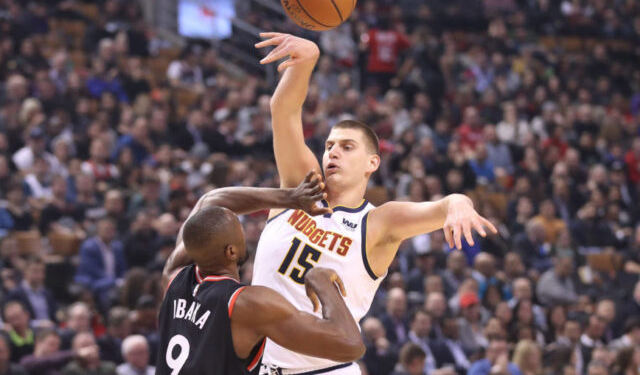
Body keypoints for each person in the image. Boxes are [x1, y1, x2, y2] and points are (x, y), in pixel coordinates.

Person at [251, 32, 496, 374]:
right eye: (329, 145)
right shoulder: (299, 186)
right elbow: (283, 111)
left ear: (372, 163)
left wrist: (459, 203)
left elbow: (443, 206)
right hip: (259, 366)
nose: (333, 151)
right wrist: (305, 62)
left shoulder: (379, 222)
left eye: (347, 147)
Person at [156, 172, 365, 375]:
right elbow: (350, 345)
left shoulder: (173, 276)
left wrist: (292, 198)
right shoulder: (245, 304)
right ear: (231, 251)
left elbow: (209, 202)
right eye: (239, 226)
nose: (244, 228)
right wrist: (321, 281)